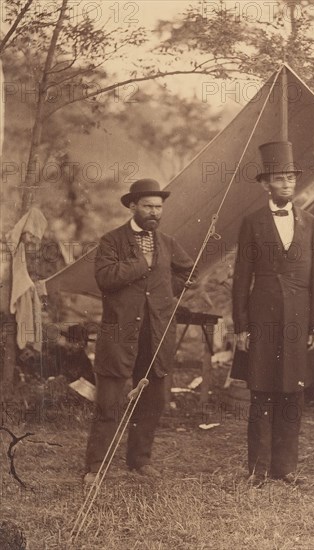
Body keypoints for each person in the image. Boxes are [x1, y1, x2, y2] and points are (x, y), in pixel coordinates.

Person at [84, 179, 195, 483]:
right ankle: (95, 466)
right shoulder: (111, 241)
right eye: (147, 206)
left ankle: (139, 460)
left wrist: (164, 292)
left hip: (156, 334)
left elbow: (188, 271)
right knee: (109, 401)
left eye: (158, 207)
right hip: (119, 334)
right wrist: (141, 264)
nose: (154, 212)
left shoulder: (169, 243)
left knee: (152, 400)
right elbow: (105, 278)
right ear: (132, 206)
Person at [232, 141, 314, 486]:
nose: (287, 184)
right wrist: (241, 325)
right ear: (265, 184)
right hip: (263, 317)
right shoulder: (252, 223)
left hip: (299, 322)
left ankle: (285, 469)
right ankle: (257, 469)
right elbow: (241, 277)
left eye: (291, 178)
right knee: (262, 391)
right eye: (280, 179)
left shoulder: (311, 222)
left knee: (293, 393)